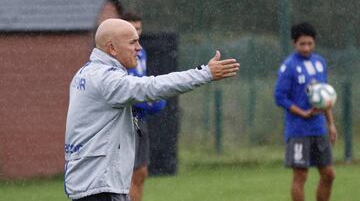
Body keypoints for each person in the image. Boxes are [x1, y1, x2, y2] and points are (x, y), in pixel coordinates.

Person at [64, 18, 239, 201]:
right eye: (132, 42)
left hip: (93, 183)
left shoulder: (85, 73)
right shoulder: (106, 79)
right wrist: (205, 73)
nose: (139, 48)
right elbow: (151, 87)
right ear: (112, 48)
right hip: (100, 187)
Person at [274, 22, 337, 201]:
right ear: (294, 43)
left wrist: (331, 124)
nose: (306, 47)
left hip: (319, 129)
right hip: (298, 130)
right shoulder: (289, 66)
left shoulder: (320, 63)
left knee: (329, 174)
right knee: (301, 176)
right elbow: (280, 97)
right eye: (302, 44)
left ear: (314, 42)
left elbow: (325, 98)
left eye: (310, 43)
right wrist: (303, 113)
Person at [121, 10, 166, 201]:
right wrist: (148, 100)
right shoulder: (117, 55)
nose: (136, 33)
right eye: (132, 29)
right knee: (127, 174)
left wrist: (152, 100)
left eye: (139, 29)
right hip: (126, 120)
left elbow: (142, 82)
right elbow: (127, 87)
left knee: (141, 172)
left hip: (140, 120)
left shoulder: (141, 52)